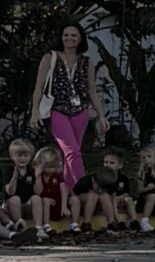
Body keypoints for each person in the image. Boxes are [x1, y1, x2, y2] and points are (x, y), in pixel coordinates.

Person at [31, 24, 102, 188]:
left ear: (80, 39)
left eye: (73, 35)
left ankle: (69, 191)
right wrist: (35, 111)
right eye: (66, 35)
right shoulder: (50, 58)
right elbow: (39, 87)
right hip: (57, 109)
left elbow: (92, 90)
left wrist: (101, 115)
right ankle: (84, 188)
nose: (69, 38)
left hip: (80, 110)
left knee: (71, 154)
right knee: (72, 151)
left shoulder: (86, 62)